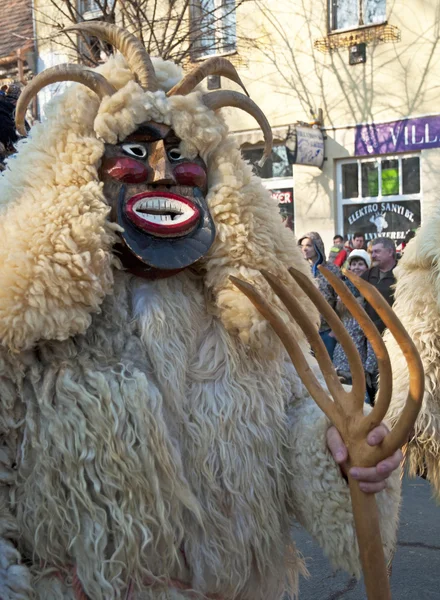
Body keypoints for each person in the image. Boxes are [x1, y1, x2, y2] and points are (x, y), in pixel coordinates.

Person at [0, 23, 402, 598]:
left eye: (184, 157)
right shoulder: (25, 322)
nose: (163, 175)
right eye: (136, 153)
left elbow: (299, 415)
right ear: (81, 169)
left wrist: (337, 449)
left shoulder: (251, 313)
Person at [332, 249, 374, 404]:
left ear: (367, 266)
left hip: (359, 354)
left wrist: (369, 366)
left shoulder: (370, 288)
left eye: (360, 264)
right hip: (341, 354)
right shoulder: (344, 287)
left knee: (361, 396)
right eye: (353, 264)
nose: (356, 267)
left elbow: (370, 337)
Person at [298, 232, 342, 359]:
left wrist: (335, 331)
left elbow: (341, 302)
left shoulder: (332, 270)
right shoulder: (299, 270)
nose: (304, 249)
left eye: (309, 245)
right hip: (305, 332)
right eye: (302, 245)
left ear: (317, 246)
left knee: (327, 371)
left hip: (326, 331)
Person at [361, 237, 397, 334]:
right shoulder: (368, 275)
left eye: (377, 252)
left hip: (394, 332)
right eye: (372, 252)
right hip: (371, 332)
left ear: (390, 252)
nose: (373, 255)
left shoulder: (402, 274)